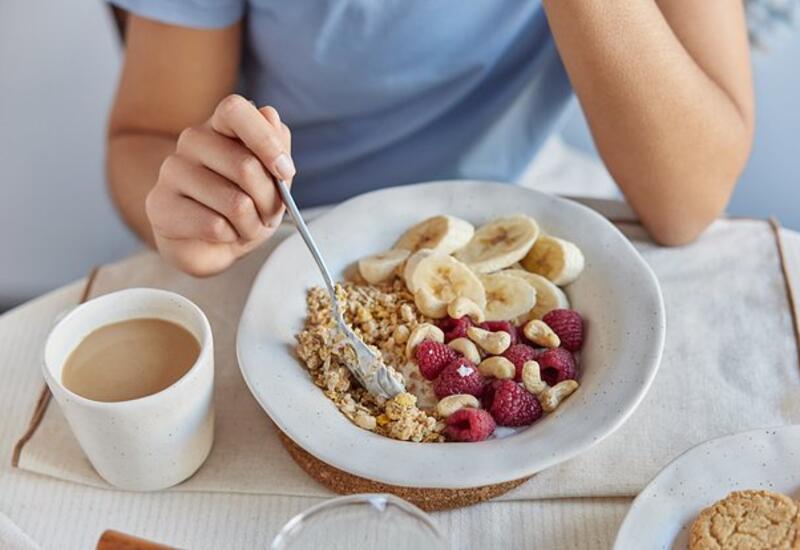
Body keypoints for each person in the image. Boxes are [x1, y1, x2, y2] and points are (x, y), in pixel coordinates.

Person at [107, 1, 754, 277]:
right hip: (299, 234)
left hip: (530, 198)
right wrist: (203, 201)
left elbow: (687, 203)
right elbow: (146, 136)